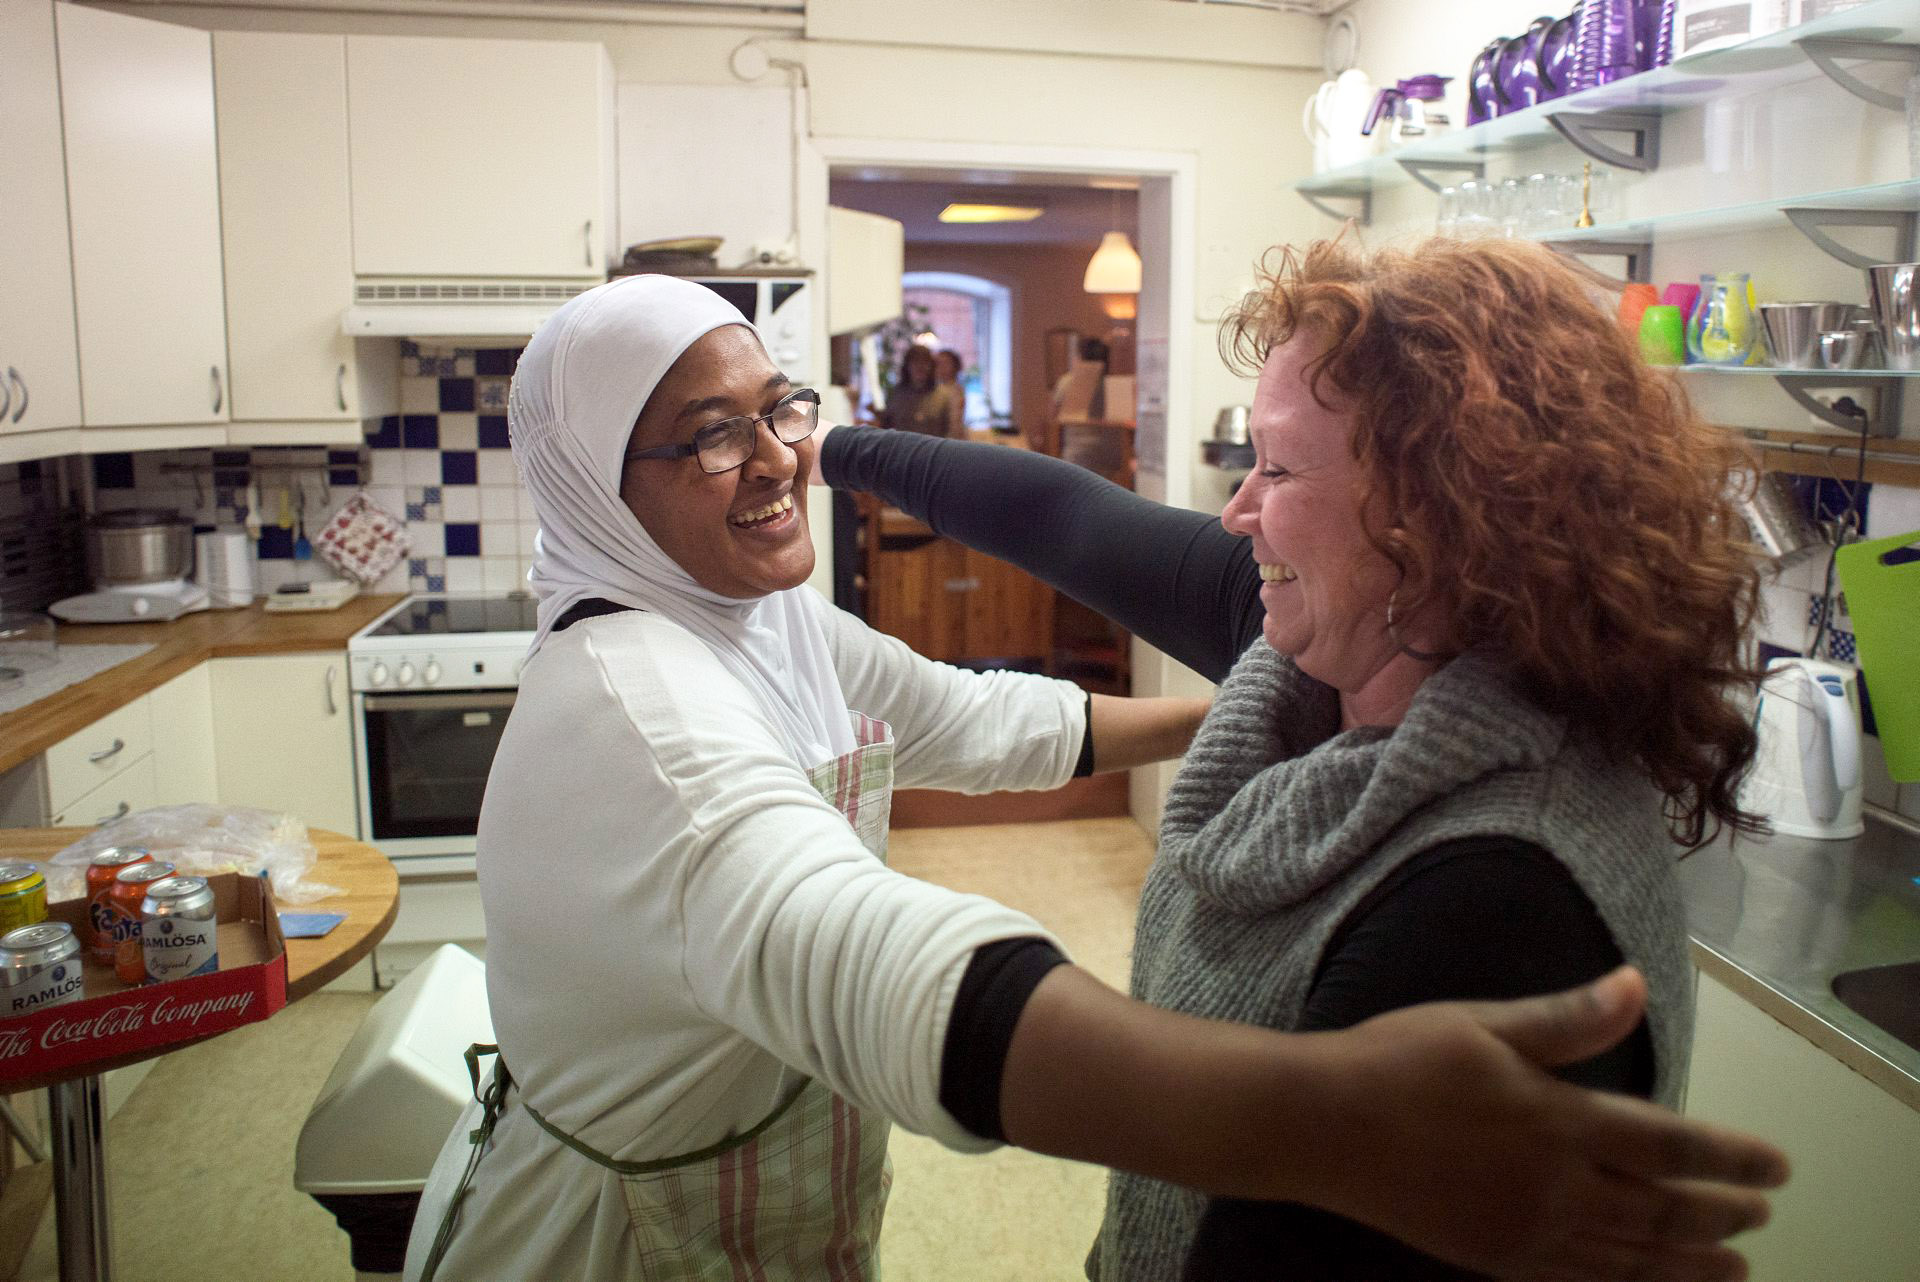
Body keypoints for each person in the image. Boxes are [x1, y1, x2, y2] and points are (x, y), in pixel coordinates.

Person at [405, 272, 1785, 1282]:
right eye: (710, 433)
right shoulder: (641, 707)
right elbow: (865, 958)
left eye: (779, 413)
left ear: (1439, 518)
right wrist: (1329, 1117)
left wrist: (1250, 713)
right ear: (597, 484)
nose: (1233, 508)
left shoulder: (1484, 876)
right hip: (621, 1237)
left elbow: (978, 715)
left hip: (768, 1168)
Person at [817, 236, 1777, 1280]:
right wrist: (824, 448)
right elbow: (1064, 518)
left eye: (1274, 468)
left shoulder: (1489, 900)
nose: (1236, 511)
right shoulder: (1347, 646)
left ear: (1438, 516)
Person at [879, 343, 960, 437]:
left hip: (933, 449)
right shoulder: (897, 394)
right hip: (902, 448)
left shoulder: (943, 396)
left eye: (925, 362)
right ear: (907, 366)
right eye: (915, 362)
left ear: (931, 366)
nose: (920, 367)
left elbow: (951, 431)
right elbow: (886, 426)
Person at [932, 348, 969, 437]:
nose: (941, 367)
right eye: (938, 364)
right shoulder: (934, 389)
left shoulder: (956, 391)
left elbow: (955, 423)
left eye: (945, 363)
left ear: (955, 367)